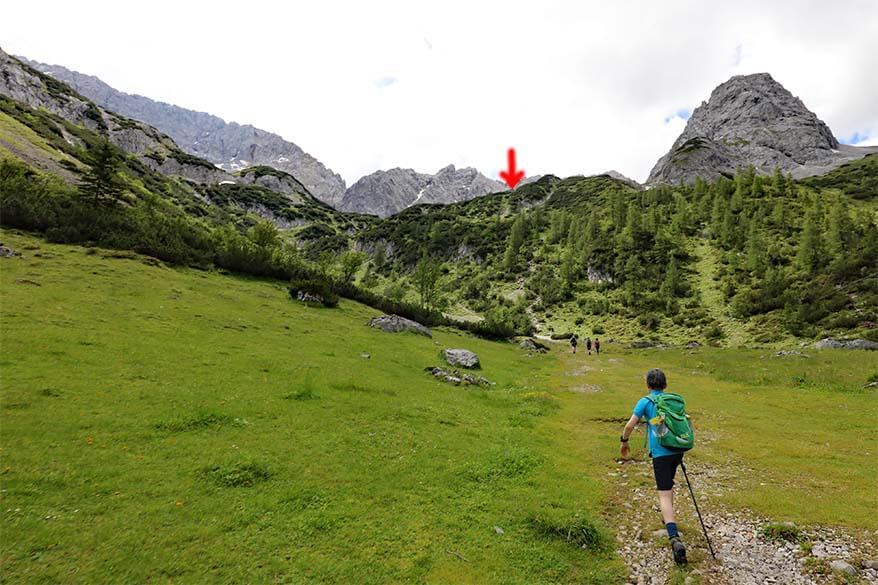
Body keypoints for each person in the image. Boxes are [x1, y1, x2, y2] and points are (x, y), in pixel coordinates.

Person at [619, 368, 688, 565]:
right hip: (677, 450)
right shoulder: (673, 401)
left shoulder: (646, 402)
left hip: (661, 453)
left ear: (648, 385)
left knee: (664, 492)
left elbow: (630, 425)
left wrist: (624, 441)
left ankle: (674, 537)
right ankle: (668, 518)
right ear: (665, 385)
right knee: (669, 485)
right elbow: (686, 420)